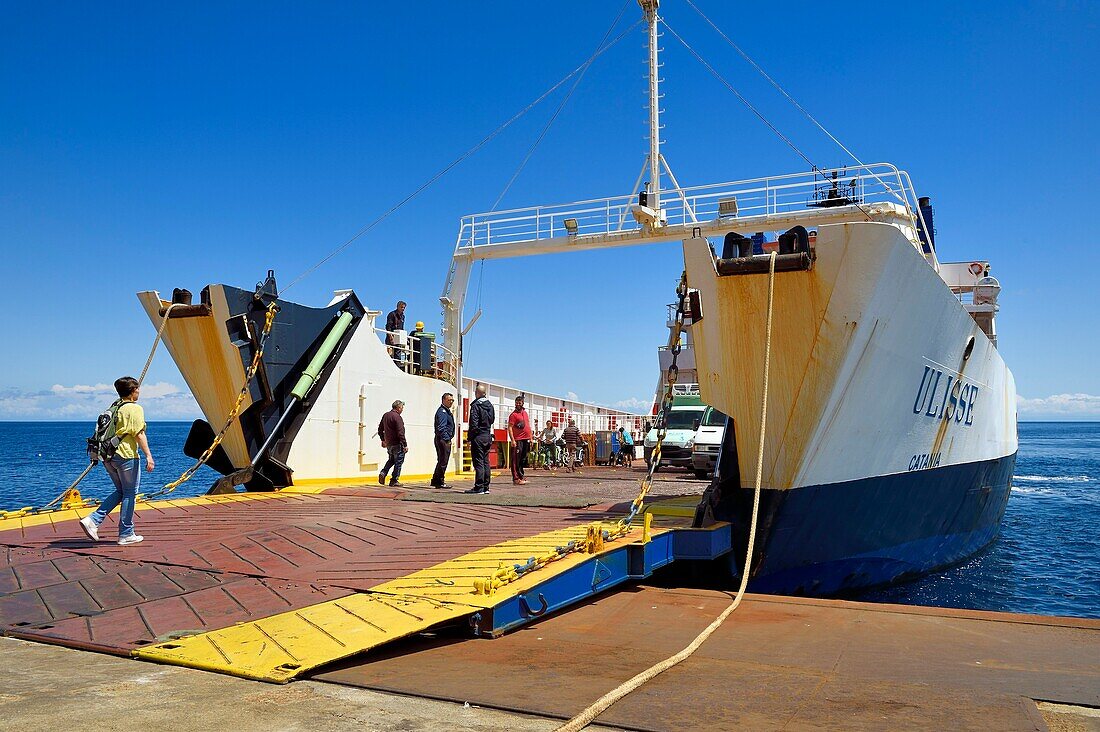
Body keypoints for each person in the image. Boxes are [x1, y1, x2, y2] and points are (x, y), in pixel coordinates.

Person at [78, 376, 154, 546]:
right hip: (126, 456)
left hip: (108, 457)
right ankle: (126, 533)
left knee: (121, 491)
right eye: (138, 389)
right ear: (133, 391)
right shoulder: (134, 409)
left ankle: (93, 520)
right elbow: (139, 434)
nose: (139, 392)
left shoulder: (113, 408)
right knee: (130, 493)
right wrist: (149, 456)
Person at [466, 384, 495, 494]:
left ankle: (479, 487)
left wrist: (470, 438)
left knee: (478, 462)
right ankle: (486, 487)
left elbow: (473, 423)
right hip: (487, 435)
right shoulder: (490, 406)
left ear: (477, 393)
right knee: (486, 461)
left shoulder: (476, 406)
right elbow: (492, 420)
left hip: (478, 436)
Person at [377, 400, 408, 487]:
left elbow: (380, 429)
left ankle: (383, 472)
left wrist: (383, 439)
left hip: (389, 444)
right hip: (397, 443)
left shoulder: (386, 415)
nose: (402, 410)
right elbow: (400, 433)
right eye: (402, 408)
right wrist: (405, 444)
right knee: (398, 461)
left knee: (391, 460)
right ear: (398, 408)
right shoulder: (397, 417)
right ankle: (394, 480)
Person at [431, 392, 455, 489]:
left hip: (441, 439)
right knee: (443, 461)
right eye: (449, 400)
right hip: (442, 440)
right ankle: (440, 481)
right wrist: (446, 439)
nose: (451, 402)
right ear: (444, 400)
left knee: (441, 461)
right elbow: (441, 427)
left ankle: (435, 480)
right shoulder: (442, 412)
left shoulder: (446, 411)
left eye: (452, 400)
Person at [508, 395, 532, 485]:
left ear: (522, 403)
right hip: (518, 439)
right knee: (515, 460)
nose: (518, 404)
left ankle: (521, 476)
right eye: (516, 403)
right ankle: (516, 478)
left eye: (519, 402)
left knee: (522, 459)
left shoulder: (525, 413)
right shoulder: (513, 415)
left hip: (526, 439)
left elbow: (528, 425)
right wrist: (513, 440)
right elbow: (509, 428)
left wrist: (531, 437)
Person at [385, 300, 407, 366]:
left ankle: (398, 367)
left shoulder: (403, 316)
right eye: (402, 307)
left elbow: (402, 327)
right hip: (391, 337)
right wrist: (390, 336)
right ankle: (389, 366)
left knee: (398, 353)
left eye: (404, 308)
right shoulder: (392, 314)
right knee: (390, 353)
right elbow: (388, 327)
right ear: (398, 307)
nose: (403, 309)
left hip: (399, 337)